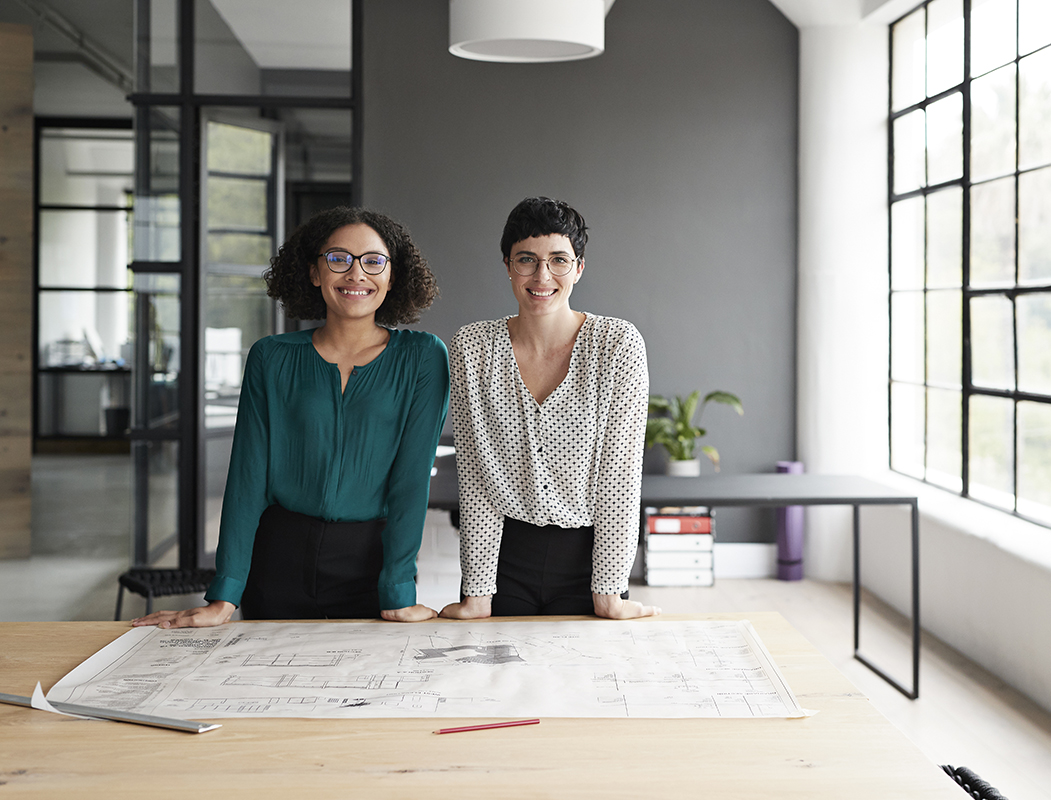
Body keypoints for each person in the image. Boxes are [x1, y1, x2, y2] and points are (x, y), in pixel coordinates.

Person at [132, 207, 449, 628]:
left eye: (373, 261)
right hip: (278, 562)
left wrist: (397, 590)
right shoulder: (272, 357)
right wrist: (224, 595)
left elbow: (411, 481)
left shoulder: (423, 357)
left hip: (369, 564)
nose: (356, 274)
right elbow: (248, 478)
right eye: (338, 259)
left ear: (393, 275)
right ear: (315, 273)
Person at [439, 197, 660, 620]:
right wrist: (478, 591)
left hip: (588, 559)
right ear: (507, 265)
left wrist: (610, 588)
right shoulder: (473, 347)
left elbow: (620, 475)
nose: (542, 276)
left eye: (559, 260)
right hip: (505, 560)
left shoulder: (617, 344)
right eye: (527, 260)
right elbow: (475, 472)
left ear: (578, 268)